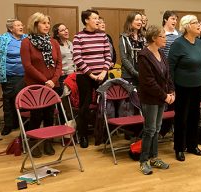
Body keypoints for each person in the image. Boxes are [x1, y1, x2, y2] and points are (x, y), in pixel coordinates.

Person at [20, 12, 62, 157]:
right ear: (35, 24)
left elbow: (58, 64)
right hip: (36, 86)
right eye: (43, 23)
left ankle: (48, 143)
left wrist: (53, 80)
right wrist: (45, 80)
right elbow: (27, 65)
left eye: (48, 23)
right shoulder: (26, 42)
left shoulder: (53, 42)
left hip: (52, 86)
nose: (47, 26)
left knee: (49, 116)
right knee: (36, 116)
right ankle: (34, 143)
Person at [168, 15, 201, 161]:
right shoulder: (178, 44)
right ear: (187, 26)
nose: (199, 25)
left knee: (194, 116)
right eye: (195, 23)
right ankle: (179, 148)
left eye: (198, 22)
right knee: (181, 118)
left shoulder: (199, 42)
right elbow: (170, 67)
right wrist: (171, 87)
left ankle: (192, 145)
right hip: (182, 86)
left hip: (197, 85)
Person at [138, 25, 174, 175]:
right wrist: (165, 96)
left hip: (161, 97)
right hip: (150, 98)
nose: (165, 39)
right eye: (163, 36)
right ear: (154, 38)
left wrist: (171, 91)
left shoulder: (161, 53)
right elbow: (148, 82)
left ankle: (154, 158)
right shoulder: (144, 55)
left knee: (157, 129)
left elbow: (167, 75)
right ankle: (144, 161)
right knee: (150, 129)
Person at [73, 9, 112, 148]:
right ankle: (83, 135)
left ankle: (104, 134)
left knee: (105, 105)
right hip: (84, 76)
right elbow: (77, 57)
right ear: (86, 21)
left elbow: (108, 56)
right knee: (84, 106)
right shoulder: (78, 37)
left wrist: (104, 71)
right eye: (94, 18)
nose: (97, 21)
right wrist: (91, 74)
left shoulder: (103, 36)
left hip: (102, 75)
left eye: (98, 18)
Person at [0, 19, 27, 136]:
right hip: (9, 76)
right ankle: (9, 125)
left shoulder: (26, 38)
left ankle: (24, 124)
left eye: (21, 25)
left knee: (24, 99)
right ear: (11, 28)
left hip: (25, 75)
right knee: (9, 100)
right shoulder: (2, 39)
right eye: (18, 25)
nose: (21, 27)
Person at [52, 23, 75, 124]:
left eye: (66, 28)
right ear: (57, 34)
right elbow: (53, 61)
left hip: (73, 75)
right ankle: (62, 124)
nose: (66, 31)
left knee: (72, 102)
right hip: (62, 77)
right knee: (63, 102)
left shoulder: (70, 43)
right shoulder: (55, 44)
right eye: (62, 30)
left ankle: (71, 123)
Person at [119, 12, 146, 87]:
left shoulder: (143, 37)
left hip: (142, 75)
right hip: (128, 76)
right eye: (137, 20)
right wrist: (135, 73)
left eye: (141, 20)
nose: (140, 22)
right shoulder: (124, 37)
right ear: (130, 22)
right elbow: (124, 59)